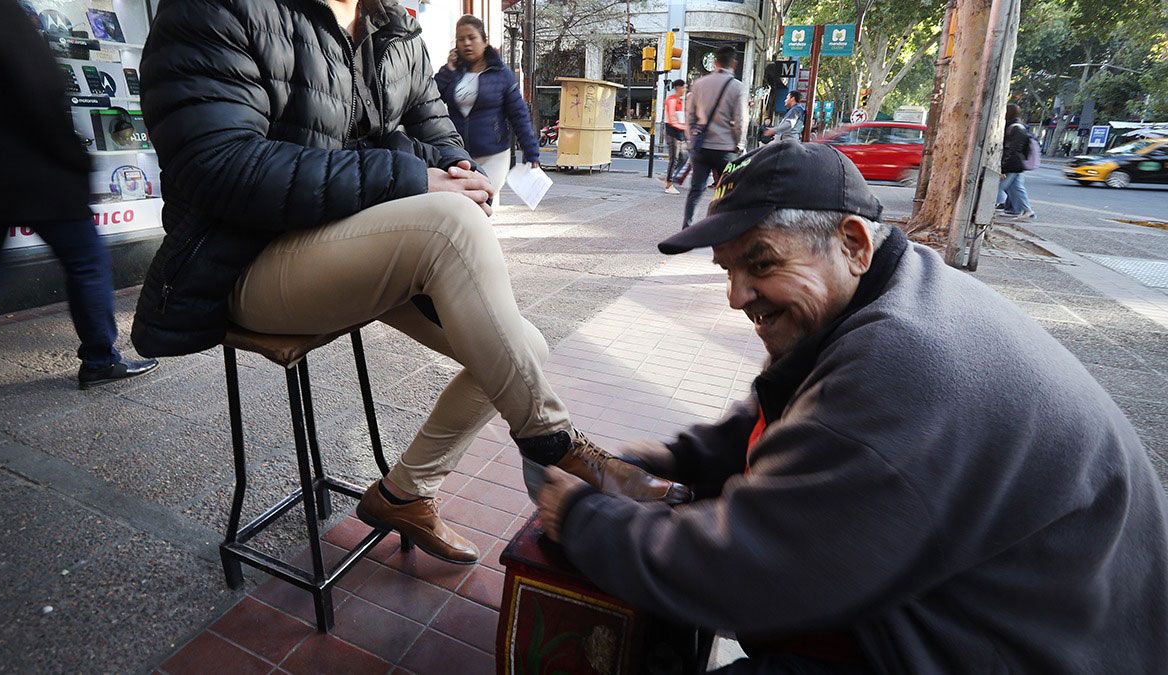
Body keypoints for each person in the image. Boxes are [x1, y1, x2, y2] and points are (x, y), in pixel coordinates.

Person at [537, 142, 1168, 672]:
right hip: (982, 609)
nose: (737, 296)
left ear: (854, 243)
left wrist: (584, 517)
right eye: (727, 270)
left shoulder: (904, 363)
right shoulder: (891, 287)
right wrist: (668, 460)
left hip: (1036, 652)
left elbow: (750, 574)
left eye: (760, 263)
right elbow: (788, 412)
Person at [133, 0, 687, 566]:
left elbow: (434, 128)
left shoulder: (392, 26)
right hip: (243, 259)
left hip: (350, 238)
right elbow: (219, 164)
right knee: (450, 227)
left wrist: (457, 169)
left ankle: (404, 493)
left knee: (526, 348)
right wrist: (412, 178)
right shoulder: (219, 8)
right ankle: (559, 449)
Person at [0, 0, 158, 389]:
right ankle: (101, 359)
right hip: (36, 171)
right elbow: (38, 86)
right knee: (87, 262)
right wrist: (73, 158)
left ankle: (101, 358)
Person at [434, 15, 540, 206]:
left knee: (481, 201)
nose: (466, 43)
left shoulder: (501, 74)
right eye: (460, 39)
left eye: (472, 37)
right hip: (459, 155)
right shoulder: (452, 73)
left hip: (494, 155)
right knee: (460, 205)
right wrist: (447, 71)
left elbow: (519, 115)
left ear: (484, 40)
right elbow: (431, 97)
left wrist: (531, 153)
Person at [682, 46, 747, 229]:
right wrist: (739, 144)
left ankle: (687, 229)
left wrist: (691, 140)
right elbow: (740, 119)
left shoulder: (699, 84)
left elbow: (690, 116)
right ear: (733, 63)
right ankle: (722, 229)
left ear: (715, 62)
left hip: (701, 147)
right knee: (728, 190)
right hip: (725, 147)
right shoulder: (737, 87)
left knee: (696, 190)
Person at [997, 103, 1035, 220]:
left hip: (1013, 163)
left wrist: (1003, 167)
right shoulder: (1018, 126)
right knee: (1016, 187)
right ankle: (1019, 210)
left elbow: (1013, 149)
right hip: (1017, 163)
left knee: (998, 187)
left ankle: (1026, 211)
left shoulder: (1015, 128)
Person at [663, 79, 687, 194]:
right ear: (678, 88)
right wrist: (685, 128)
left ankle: (669, 176)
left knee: (684, 156)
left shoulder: (679, 101)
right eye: (684, 87)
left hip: (679, 132)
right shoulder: (672, 101)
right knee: (674, 158)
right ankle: (669, 184)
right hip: (672, 131)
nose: (685, 90)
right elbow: (672, 120)